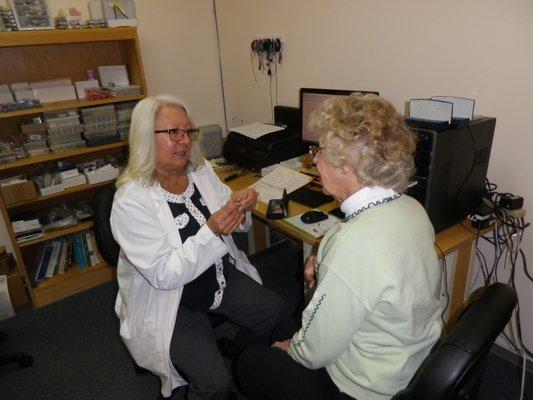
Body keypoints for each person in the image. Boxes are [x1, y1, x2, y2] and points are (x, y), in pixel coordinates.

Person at [235, 93, 443, 400]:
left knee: (250, 363)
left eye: (319, 151)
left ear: (346, 165)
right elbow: (370, 264)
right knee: (285, 326)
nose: (314, 159)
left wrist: (290, 350)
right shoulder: (410, 208)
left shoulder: (354, 244)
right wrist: (323, 257)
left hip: (364, 388)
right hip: (411, 360)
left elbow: (314, 354)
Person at [110, 94, 286, 399]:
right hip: (172, 300)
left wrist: (240, 208)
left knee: (274, 311)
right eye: (173, 132)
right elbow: (165, 275)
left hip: (216, 277)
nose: (185, 140)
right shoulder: (130, 201)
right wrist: (213, 229)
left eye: (188, 131)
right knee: (214, 384)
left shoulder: (200, 171)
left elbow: (233, 224)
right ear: (145, 138)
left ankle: (242, 356)